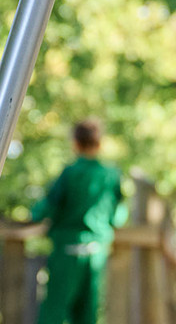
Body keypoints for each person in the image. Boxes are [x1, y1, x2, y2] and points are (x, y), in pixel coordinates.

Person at [31, 119, 127, 324]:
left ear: (75, 143)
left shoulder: (70, 173)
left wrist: (34, 215)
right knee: (88, 315)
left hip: (67, 250)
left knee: (53, 313)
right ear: (99, 143)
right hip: (96, 252)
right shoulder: (111, 175)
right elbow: (118, 217)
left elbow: (45, 209)